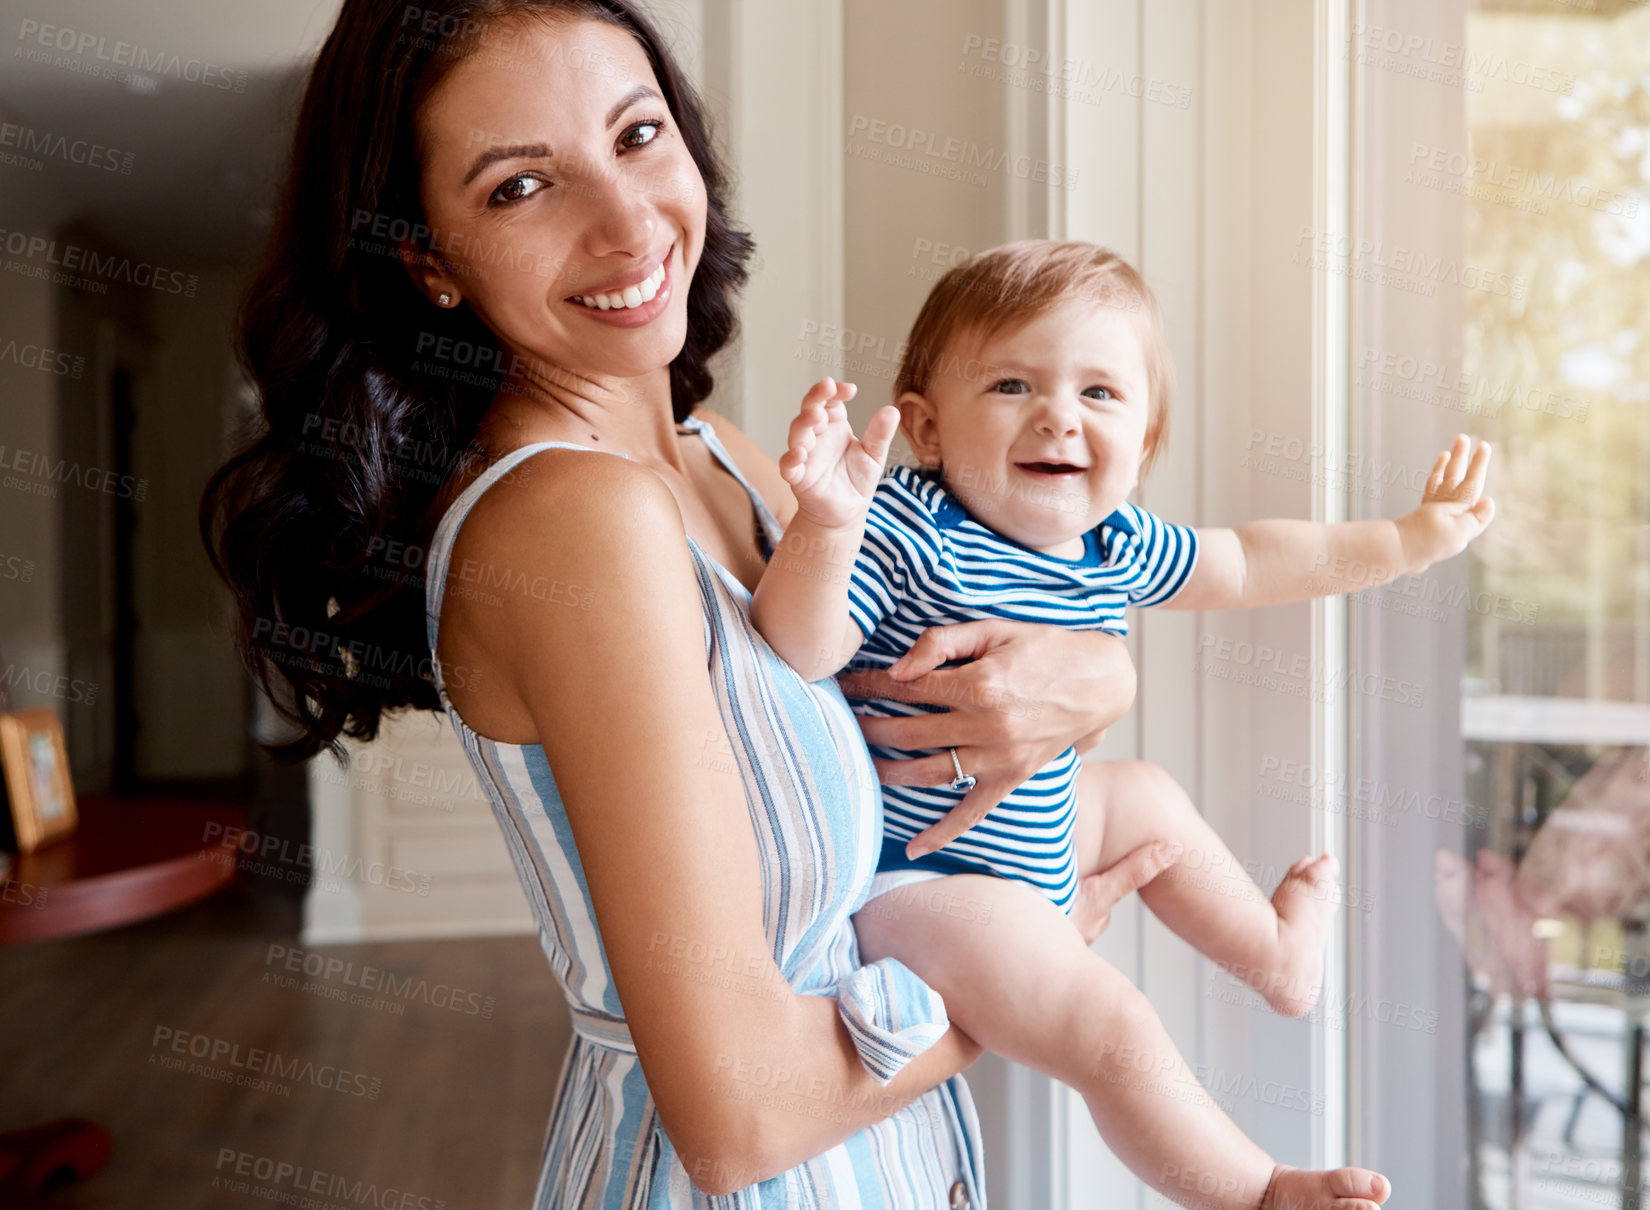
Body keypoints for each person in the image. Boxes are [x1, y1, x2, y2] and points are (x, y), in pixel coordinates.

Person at [200, 4, 1162, 1205]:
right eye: (518, 188)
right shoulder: (573, 522)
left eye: (638, 134)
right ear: (427, 257)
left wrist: (1099, 676)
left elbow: (985, 617)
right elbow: (741, 1116)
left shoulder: (724, 460)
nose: (627, 220)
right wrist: (1041, 977)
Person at [752, 241, 1496, 1208]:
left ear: (1142, 447)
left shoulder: (1112, 542)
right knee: (1114, 1025)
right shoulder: (903, 525)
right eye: (1015, 383)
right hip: (926, 882)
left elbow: (1250, 560)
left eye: (1100, 394)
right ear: (928, 430)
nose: (1060, 413)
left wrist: (1400, 543)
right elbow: (799, 648)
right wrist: (823, 524)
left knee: (1144, 795)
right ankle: (1257, 1190)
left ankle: (1275, 956)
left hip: (1039, 836)